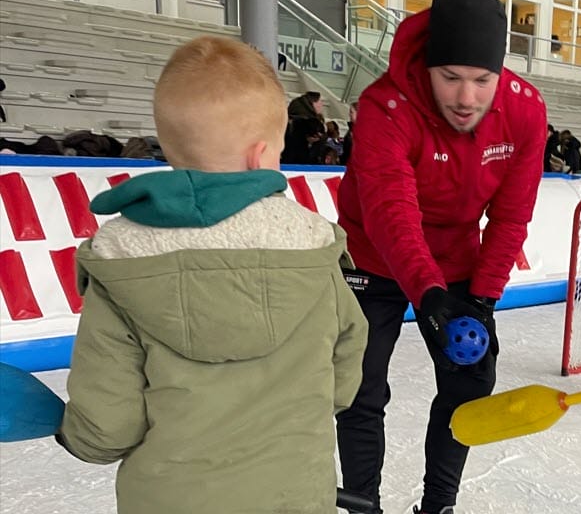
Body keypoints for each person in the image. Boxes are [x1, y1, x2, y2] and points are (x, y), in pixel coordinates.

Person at [56, 36, 368, 514]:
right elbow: (345, 360)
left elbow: (109, 422)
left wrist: (77, 437)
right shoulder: (312, 249)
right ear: (261, 155)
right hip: (294, 493)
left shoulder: (125, 264)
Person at [335, 0, 547, 514]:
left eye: (482, 80)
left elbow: (511, 216)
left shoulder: (524, 111)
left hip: (456, 256)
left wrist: (483, 299)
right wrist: (427, 294)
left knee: (471, 379)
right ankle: (363, 504)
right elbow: (390, 212)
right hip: (373, 256)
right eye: (450, 77)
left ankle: (439, 504)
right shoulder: (385, 106)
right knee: (359, 384)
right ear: (429, 65)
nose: (466, 98)